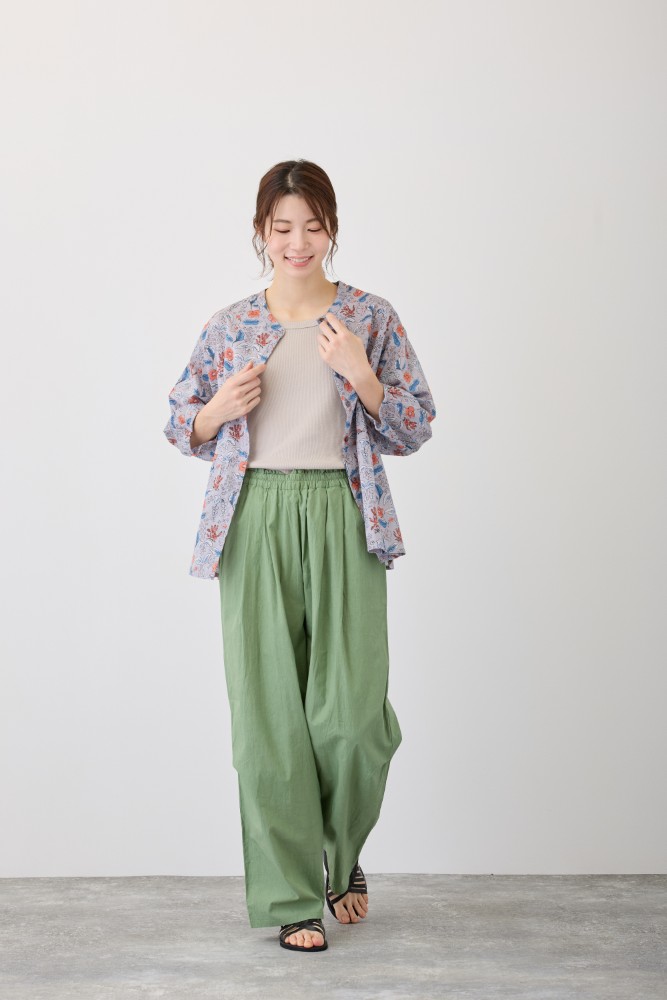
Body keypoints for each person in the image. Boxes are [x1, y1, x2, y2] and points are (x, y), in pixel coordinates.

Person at [163, 159, 437, 953]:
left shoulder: (367, 318)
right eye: (282, 227)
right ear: (261, 231)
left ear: (331, 229)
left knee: (351, 721)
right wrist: (215, 411)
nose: (297, 242)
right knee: (267, 724)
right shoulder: (229, 326)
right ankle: (291, 899)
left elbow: (414, 425)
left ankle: (340, 857)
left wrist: (361, 375)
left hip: (345, 515)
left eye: (312, 226)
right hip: (252, 514)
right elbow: (180, 422)